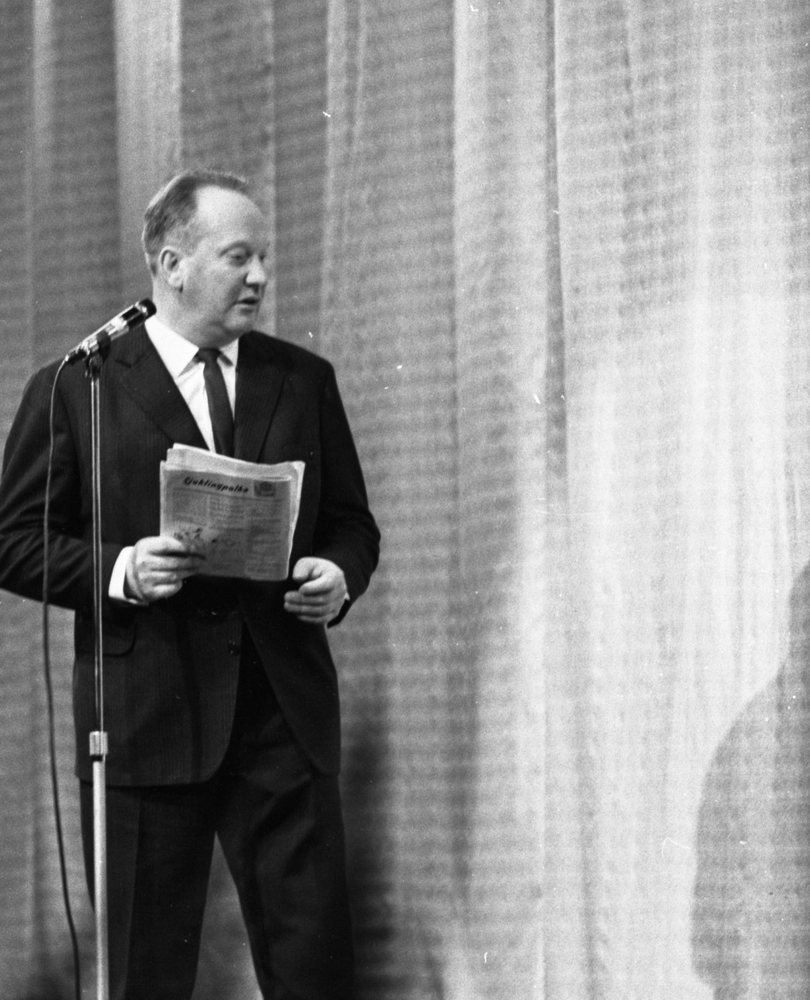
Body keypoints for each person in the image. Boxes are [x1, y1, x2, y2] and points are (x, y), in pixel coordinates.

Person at [0, 169, 380, 999]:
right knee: (146, 978)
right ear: (172, 265)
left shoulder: (302, 378)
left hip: (282, 718)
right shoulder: (78, 386)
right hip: (148, 722)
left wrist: (338, 573)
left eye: (263, 257)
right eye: (239, 257)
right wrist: (122, 569)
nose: (261, 277)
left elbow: (353, 524)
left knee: (315, 976)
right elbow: (13, 540)